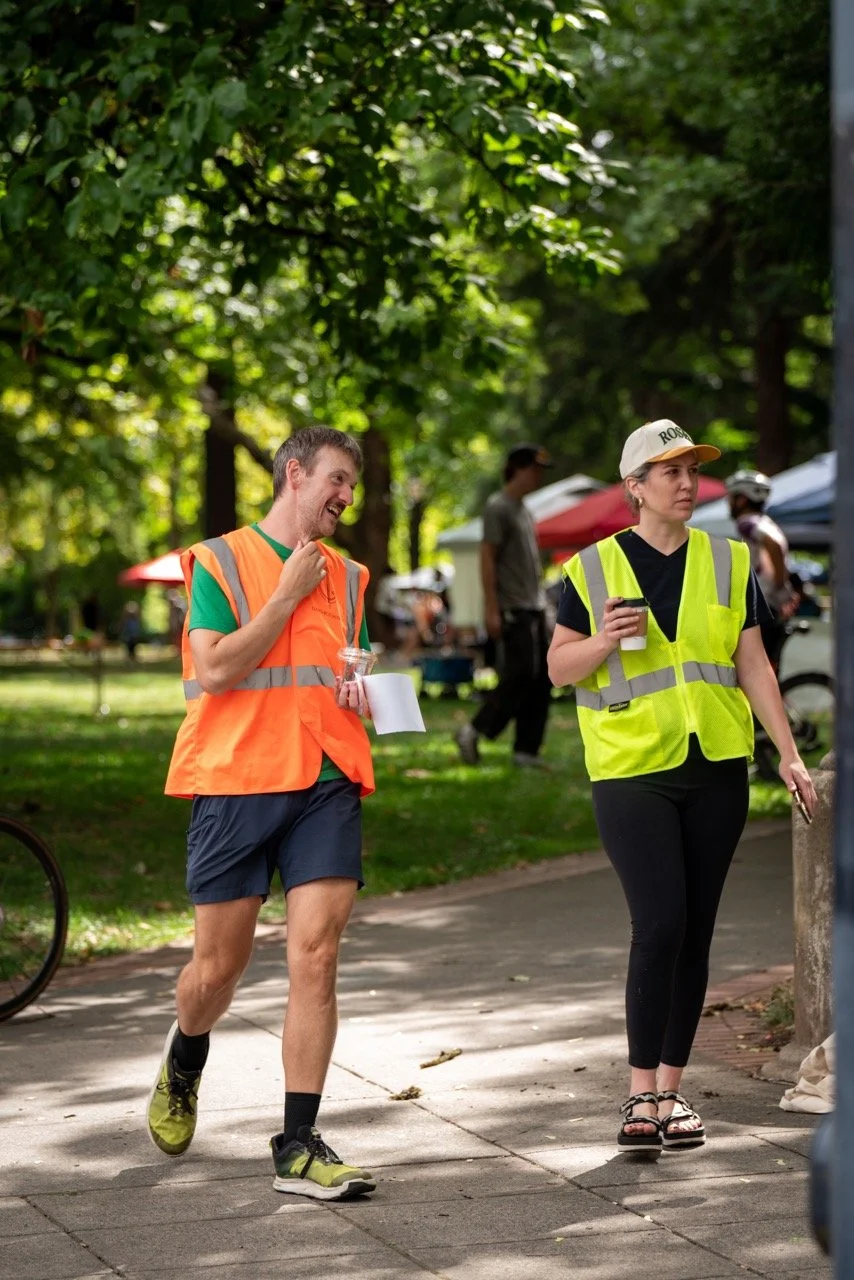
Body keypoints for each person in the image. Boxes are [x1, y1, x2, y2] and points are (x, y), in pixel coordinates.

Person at [547, 419, 817, 1154]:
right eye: (670, 472)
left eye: (692, 470)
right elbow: (559, 668)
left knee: (695, 932)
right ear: (635, 487)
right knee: (659, 923)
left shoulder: (730, 561)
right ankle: (639, 1095)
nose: (687, 483)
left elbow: (753, 664)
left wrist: (788, 754)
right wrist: (602, 640)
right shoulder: (591, 569)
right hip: (631, 768)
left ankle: (671, 1094)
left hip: (718, 767)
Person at [147, 425, 378, 1201]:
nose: (347, 497)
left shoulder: (352, 577)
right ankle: (186, 1053)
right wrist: (285, 594)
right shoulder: (219, 561)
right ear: (295, 473)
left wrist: (365, 691)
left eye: (353, 486)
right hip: (236, 779)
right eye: (337, 480)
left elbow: (349, 667)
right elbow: (214, 669)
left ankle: (298, 1144)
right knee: (217, 972)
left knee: (317, 956)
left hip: (325, 779)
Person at [454, 443, 555, 768]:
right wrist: (491, 609)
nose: (538, 476)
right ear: (518, 469)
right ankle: (472, 731)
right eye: (535, 469)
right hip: (512, 607)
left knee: (542, 678)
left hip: (534, 606)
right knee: (519, 674)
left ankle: (527, 751)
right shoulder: (498, 507)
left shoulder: (523, 510)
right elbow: (487, 558)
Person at [725, 470, 796, 671]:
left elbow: (773, 545)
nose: (728, 503)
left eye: (731, 498)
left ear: (742, 499)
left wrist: (779, 583)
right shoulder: (767, 521)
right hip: (770, 604)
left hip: (760, 604)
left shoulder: (747, 522)